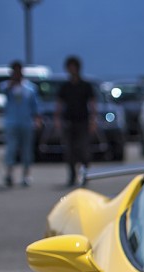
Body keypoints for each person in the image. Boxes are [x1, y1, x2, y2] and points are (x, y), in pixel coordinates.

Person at [55, 55, 96, 187]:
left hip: (83, 121)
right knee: (69, 151)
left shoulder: (85, 86)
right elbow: (59, 103)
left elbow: (92, 103)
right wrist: (57, 119)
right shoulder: (65, 86)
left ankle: (85, 174)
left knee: (83, 149)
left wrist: (93, 120)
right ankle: (72, 175)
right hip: (69, 121)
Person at [1, 61, 40, 187]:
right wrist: (12, 83)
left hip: (26, 123)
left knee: (27, 150)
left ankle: (26, 174)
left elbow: (35, 106)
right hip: (11, 122)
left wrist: (37, 119)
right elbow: (3, 91)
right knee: (11, 148)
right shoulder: (7, 86)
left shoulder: (30, 88)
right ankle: (9, 174)